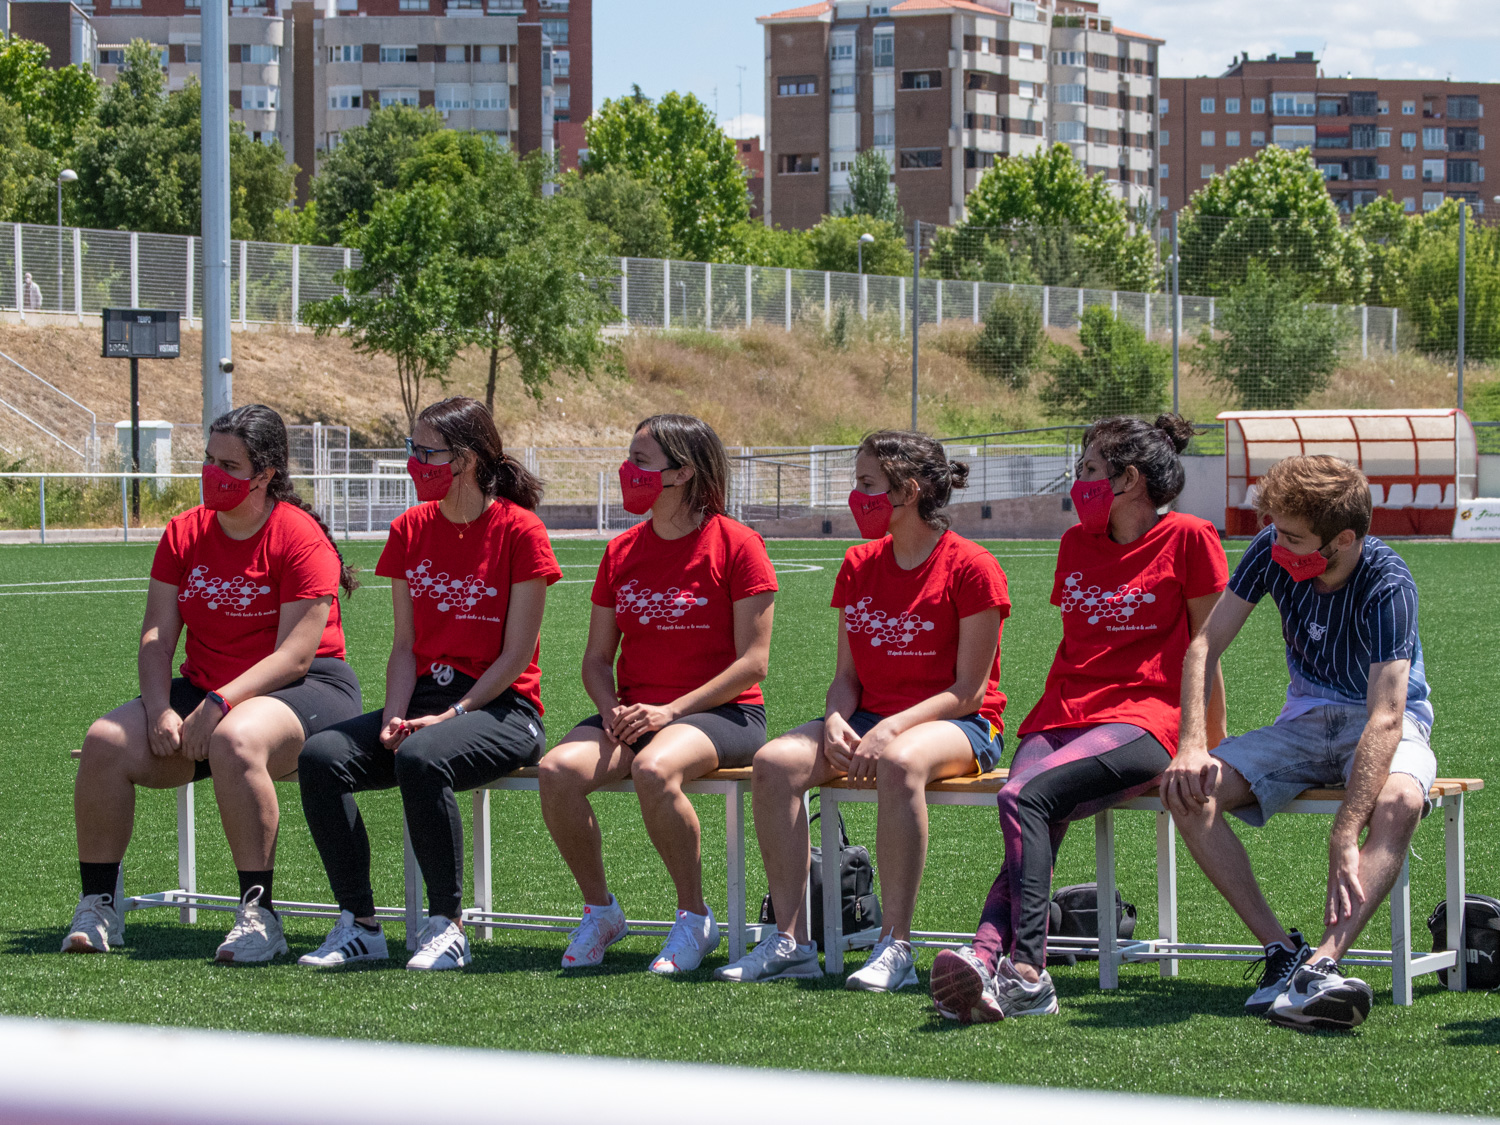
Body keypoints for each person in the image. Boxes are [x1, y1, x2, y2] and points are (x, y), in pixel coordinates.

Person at [929, 415, 1227, 1020]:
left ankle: (1025, 970)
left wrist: (1206, 743)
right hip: (1061, 713)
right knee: (1029, 803)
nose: (1078, 482)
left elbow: (1206, 649)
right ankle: (990, 962)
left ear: (1129, 480)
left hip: (1144, 719)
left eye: (1089, 470)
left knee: (1024, 798)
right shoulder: (1075, 544)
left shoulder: (1191, 537)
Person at [65, 404, 362, 961]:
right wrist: (158, 707)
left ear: (266, 474)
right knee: (104, 741)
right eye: (209, 459)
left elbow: (296, 656)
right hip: (208, 692)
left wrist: (219, 704)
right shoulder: (184, 532)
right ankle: (99, 904)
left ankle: (258, 915)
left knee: (236, 738)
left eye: (229, 464)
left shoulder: (298, 536)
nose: (212, 473)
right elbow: (157, 635)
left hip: (307, 689)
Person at [716, 430, 1009, 990]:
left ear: (909, 491)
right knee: (775, 764)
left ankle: (894, 945)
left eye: (868, 484)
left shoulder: (973, 567)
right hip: (871, 720)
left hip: (961, 725)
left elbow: (970, 691)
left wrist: (892, 729)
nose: (857, 497)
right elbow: (847, 678)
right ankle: (792, 941)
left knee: (900, 762)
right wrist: (834, 720)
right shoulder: (858, 563)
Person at [1165, 454, 1434, 1030]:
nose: (1278, 547)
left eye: (1294, 537)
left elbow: (1386, 716)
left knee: (1401, 801)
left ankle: (1320, 968)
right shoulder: (1269, 549)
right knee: (1189, 790)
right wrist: (1191, 744)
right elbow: (1202, 647)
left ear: (1343, 538)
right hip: (1306, 719)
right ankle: (1281, 954)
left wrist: (1346, 828)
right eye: (1278, 532)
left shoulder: (1389, 582)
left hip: (1385, 717)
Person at [297, 397, 560, 971]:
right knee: (321, 757)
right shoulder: (410, 528)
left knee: (420, 756)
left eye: (425, 451)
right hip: (422, 705)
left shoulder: (521, 531)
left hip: (504, 710)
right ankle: (361, 925)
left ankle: (447, 925)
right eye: (413, 449)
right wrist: (396, 711)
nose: (414, 462)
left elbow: (516, 658)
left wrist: (453, 714)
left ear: (464, 459)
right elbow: (404, 647)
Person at [538, 414, 777, 974]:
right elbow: (596, 661)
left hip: (724, 715)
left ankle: (693, 917)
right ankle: (601, 911)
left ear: (683, 473)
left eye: (641, 462)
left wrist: (670, 710)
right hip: (634, 714)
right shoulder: (622, 550)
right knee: (556, 772)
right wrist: (611, 711)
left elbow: (753, 663)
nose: (628, 472)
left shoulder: (738, 545)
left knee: (652, 770)